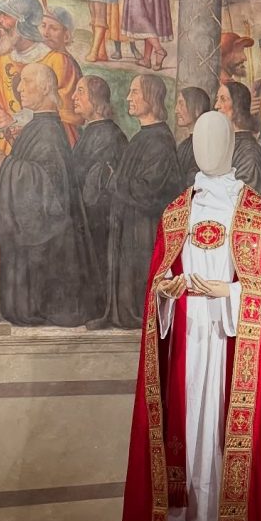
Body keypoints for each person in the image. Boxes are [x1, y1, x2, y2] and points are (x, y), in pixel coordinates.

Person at [119, 111, 261, 521]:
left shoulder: (258, 213)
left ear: (232, 146)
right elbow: (160, 278)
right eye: (199, 140)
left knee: (220, 435)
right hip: (186, 341)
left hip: (230, 342)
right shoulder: (177, 212)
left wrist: (228, 292)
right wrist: (164, 292)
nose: (206, 149)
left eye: (215, 140)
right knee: (188, 430)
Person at [0, 63, 102, 326]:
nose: (19, 88)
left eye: (26, 81)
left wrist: (2, 165)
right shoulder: (41, 125)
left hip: (48, 245)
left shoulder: (48, 130)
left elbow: (46, 186)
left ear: (44, 88)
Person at [93, 73, 182, 329]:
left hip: (144, 227)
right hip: (130, 223)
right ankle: (120, 312)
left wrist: (114, 180)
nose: (128, 97)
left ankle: (135, 313)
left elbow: (149, 190)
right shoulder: (142, 136)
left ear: (151, 97)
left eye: (134, 92)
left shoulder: (159, 141)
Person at [0, 0, 81, 151]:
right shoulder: (1, 58)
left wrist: (15, 122)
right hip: (10, 149)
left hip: (48, 148)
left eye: (5, 15)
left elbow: (64, 115)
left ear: (23, 23)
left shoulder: (57, 61)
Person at [72, 75, 128, 278]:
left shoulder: (108, 135)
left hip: (99, 227)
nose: (73, 97)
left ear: (95, 99)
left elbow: (97, 186)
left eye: (80, 91)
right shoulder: (92, 131)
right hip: (87, 224)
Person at [215, 81, 261, 196]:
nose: (216, 106)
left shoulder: (249, 152)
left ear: (237, 105)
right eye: (217, 99)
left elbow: (247, 198)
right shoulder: (227, 142)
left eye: (223, 99)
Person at [174, 87, 211, 189]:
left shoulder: (204, 145)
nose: (176, 110)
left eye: (181, 104)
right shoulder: (184, 145)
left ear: (197, 108)